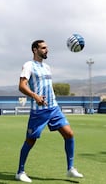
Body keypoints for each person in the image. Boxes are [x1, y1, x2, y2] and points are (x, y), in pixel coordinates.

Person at [15, 40, 84, 183]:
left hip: (54, 108)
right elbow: (21, 86)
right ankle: (20, 172)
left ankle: (70, 169)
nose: (47, 50)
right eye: (43, 48)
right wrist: (35, 96)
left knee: (69, 134)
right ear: (35, 50)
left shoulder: (47, 67)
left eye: (47, 48)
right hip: (39, 111)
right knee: (30, 140)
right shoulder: (29, 66)